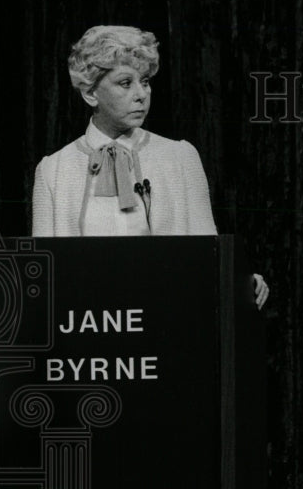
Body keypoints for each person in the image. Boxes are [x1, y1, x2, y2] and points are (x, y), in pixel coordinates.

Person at [31, 25, 269, 308]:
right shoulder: (54, 169)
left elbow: (208, 255)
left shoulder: (180, 157)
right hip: (90, 323)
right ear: (91, 94)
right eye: (125, 83)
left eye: (144, 81)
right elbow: (43, 277)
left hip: (167, 316)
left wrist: (240, 283)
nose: (141, 94)